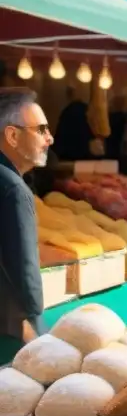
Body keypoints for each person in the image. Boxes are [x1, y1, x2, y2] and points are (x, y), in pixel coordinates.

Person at [0, 88, 52, 360]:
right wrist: (35, 323)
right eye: (41, 129)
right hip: (8, 330)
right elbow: (24, 269)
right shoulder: (13, 190)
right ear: (12, 136)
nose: (49, 138)